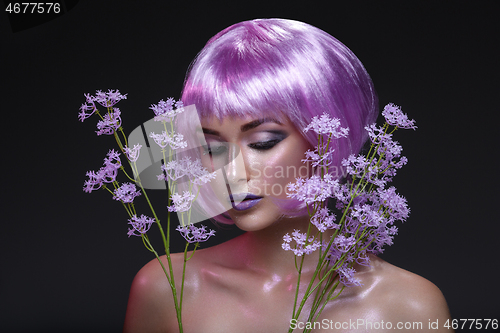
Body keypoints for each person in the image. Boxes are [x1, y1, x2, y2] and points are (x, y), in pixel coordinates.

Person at [123, 18, 452, 332]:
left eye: (263, 142)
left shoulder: (409, 307)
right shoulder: (167, 288)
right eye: (212, 147)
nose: (232, 173)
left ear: (328, 139)